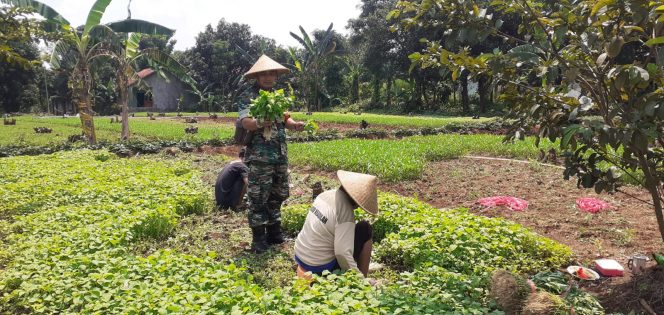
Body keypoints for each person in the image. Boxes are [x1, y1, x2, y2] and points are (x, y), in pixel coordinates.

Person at [239, 55, 305, 253]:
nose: (268, 77)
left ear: (276, 76)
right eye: (264, 74)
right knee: (258, 196)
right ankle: (258, 238)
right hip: (260, 157)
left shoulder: (278, 96)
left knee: (278, 193)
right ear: (257, 77)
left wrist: (295, 125)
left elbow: (286, 118)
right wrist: (260, 122)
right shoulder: (248, 97)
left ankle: (274, 232)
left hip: (279, 154)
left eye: (272, 74)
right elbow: (245, 122)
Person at [294, 170, 378, 278]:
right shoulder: (344, 210)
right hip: (319, 266)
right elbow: (342, 253)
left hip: (301, 255)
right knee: (365, 229)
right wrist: (359, 279)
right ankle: (364, 280)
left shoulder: (325, 195)